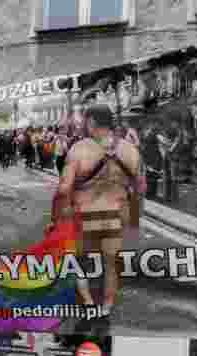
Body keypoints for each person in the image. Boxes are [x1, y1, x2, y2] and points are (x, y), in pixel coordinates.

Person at [58, 104, 141, 313]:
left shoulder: (78, 149)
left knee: (80, 262)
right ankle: (107, 305)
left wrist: (60, 215)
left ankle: (87, 301)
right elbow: (140, 186)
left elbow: (64, 188)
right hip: (114, 216)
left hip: (84, 216)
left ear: (92, 122)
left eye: (86, 121)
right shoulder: (129, 149)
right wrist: (133, 220)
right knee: (111, 265)